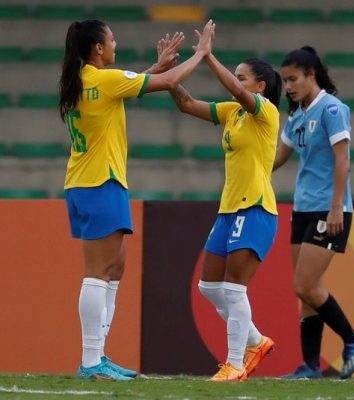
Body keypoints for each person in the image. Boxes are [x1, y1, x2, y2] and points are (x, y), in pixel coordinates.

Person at [59, 19, 213, 380]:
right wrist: (202, 54)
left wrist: (155, 69)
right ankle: (91, 360)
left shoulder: (84, 80)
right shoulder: (104, 80)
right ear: (98, 48)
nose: (116, 43)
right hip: (101, 182)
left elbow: (127, 86)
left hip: (87, 182)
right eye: (112, 39)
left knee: (115, 268)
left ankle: (99, 355)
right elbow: (172, 83)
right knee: (98, 273)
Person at [167, 25, 282, 382]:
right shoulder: (232, 113)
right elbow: (186, 104)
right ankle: (255, 341)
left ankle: (234, 364)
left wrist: (206, 55)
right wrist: (169, 74)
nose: (237, 82)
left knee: (233, 289)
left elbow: (234, 91)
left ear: (260, 86)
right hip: (230, 209)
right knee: (209, 287)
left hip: (257, 208)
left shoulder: (265, 112)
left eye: (243, 77)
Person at [273, 46, 354, 380]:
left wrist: (335, 208)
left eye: (293, 79)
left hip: (329, 210)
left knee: (305, 285)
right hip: (302, 209)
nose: (288, 86)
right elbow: (279, 157)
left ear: (311, 74)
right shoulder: (296, 114)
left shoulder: (331, 109)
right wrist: (249, 167)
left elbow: (343, 159)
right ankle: (311, 365)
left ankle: (353, 339)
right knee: (306, 291)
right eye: (285, 81)